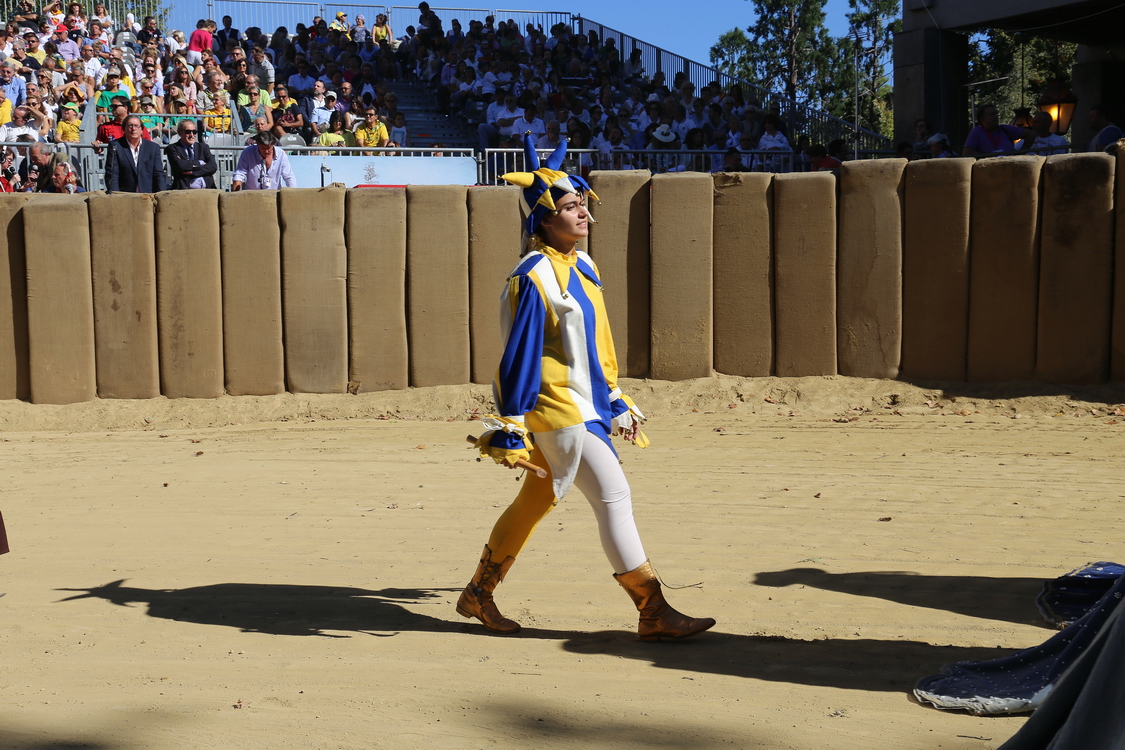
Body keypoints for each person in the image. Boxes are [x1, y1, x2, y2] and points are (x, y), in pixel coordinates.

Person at [459, 133, 716, 642]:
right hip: (556, 409)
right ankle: (652, 611)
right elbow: (520, 354)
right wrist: (509, 425)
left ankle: (478, 593)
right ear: (543, 218)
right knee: (613, 496)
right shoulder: (532, 275)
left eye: (584, 205)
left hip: (586, 403)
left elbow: (595, 344)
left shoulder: (585, 266)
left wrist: (614, 397)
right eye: (573, 207)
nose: (586, 216)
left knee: (535, 500)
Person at [104, 113, 166, 192]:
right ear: (124, 129)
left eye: (137, 126)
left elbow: (158, 174)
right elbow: (112, 173)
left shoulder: (153, 148)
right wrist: (115, 195)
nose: (133, 129)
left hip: (148, 195)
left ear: (141, 130)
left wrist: (161, 194)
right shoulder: (115, 146)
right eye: (130, 125)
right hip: (124, 194)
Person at [231, 129, 296, 190]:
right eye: (263, 148)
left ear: (273, 144)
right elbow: (240, 173)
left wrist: (293, 195)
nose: (266, 151)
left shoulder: (281, 154)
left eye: (269, 148)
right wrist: (236, 191)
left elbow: (288, 176)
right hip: (253, 196)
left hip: (274, 195)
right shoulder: (247, 152)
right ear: (257, 145)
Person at [962, 104, 1036, 157]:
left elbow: (1031, 134)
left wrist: (1021, 153)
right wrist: (986, 159)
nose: (996, 116)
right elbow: (966, 152)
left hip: (1011, 167)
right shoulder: (977, 132)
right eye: (992, 114)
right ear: (982, 119)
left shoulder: (1005, 129)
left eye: (996, 113)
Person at [166, 119, 216, 189]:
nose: (192, 135)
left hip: (208, 190)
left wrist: (192, 172)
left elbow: (213, 167)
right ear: (179, 132)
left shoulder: (203, 147)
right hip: (184, 191)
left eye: (194, 132)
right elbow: (180, 165)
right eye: (188, 132)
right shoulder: (173, 148)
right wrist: (200, 163)